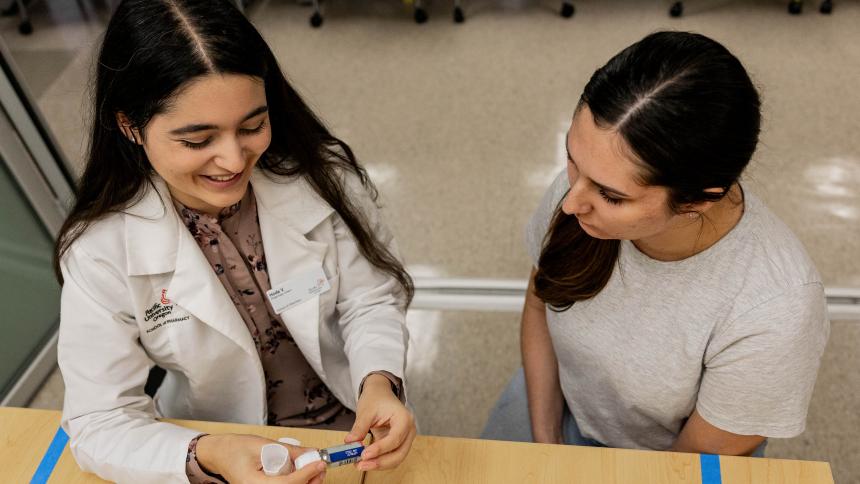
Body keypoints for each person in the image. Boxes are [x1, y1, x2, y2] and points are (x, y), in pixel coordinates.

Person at [54, 1, 416, 482]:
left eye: (251, 126)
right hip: (222, 439)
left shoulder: (319, 178)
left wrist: (379, 380)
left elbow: (369, 297)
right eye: (198, 140)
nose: (232, 159)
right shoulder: (102, 250)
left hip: (353, 434)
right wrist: (209, 454)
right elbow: (98, 422)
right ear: (129, 127)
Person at [482, 31, 829, 457]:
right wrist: (548, 444)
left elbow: (686, 465)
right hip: (557, 406)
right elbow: (540, 301)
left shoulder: (775, 310)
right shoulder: (586, 188)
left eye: (611, 196)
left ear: (699, 199)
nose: (571, 202)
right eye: (572, 158)